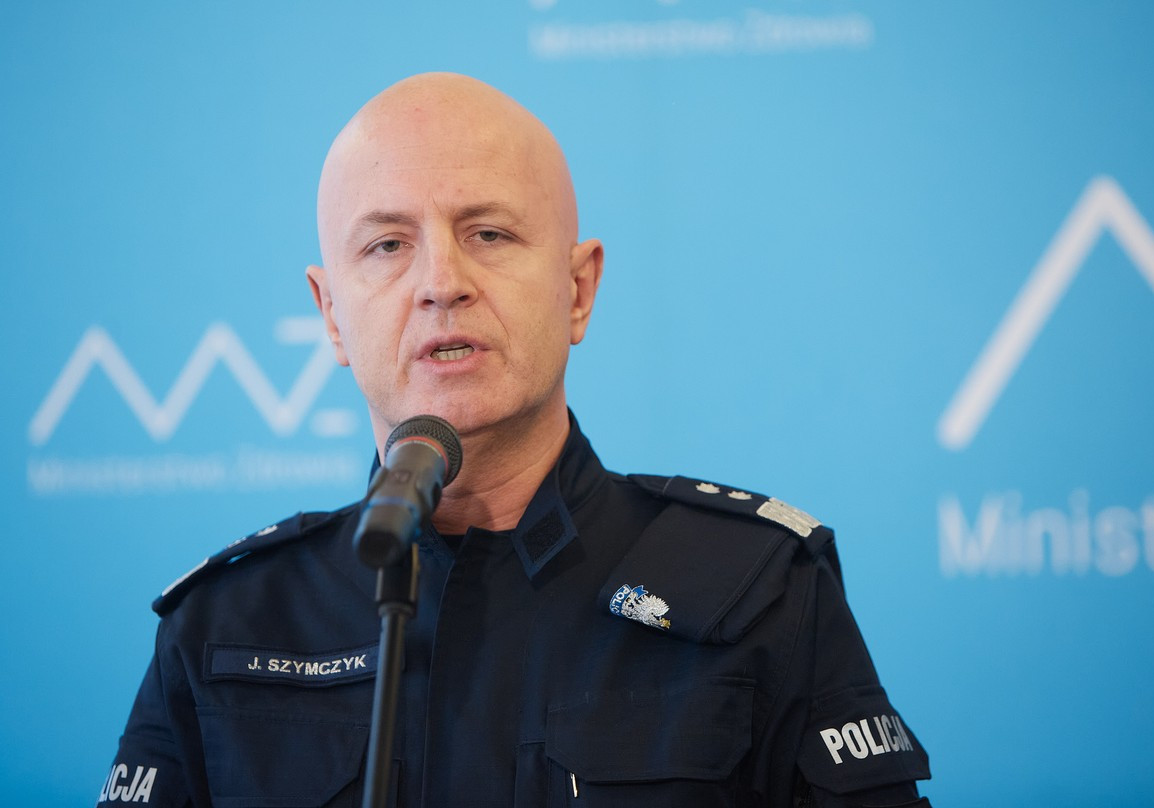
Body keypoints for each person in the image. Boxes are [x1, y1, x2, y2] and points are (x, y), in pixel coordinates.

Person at [99, 73, 932, 807]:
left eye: (488, 234)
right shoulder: (223, 625)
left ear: (578, 289)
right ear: (331, 316)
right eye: (387, 245)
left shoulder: (759, 591)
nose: (440, 283)